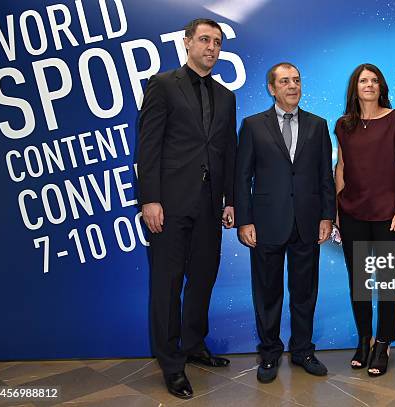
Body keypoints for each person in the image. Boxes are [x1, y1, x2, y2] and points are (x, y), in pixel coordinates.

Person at [137, 18, 236, 399]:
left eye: (217, 42)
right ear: (187, 42)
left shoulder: (226, 95)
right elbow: (148, 146)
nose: (211, 47)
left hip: (211, 207)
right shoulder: (162, 85)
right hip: (170, 206)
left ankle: (195, 346)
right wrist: (150, 199)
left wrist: (232, 203)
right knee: (166, 286)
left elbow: (228, 151)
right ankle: (171, 363)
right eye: (205, 40)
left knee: (203, 279)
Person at [234, 62, 336, 384]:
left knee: (304, 292)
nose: (292, 86)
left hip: (307, 222)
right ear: (271, 88)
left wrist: (326, 216)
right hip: (266, 224)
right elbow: (242, 177)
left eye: (296, 80)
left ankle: (303, 350)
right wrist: (245, 221)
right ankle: (269, 353)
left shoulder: (318, 125)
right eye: (284, 81)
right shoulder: (252, 125)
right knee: (267, 293)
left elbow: (325, 176)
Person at [334, 63, 395, 376]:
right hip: (352, 212)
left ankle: (384, 342)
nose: (369, 85)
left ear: (381, 86)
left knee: (388, 282)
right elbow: (340, 168)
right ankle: (364, 338)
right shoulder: (343, 125)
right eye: (363, 80)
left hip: (388, 215)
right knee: (359, 284)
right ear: (355, 87)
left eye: (374, 80)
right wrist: (338, 211)